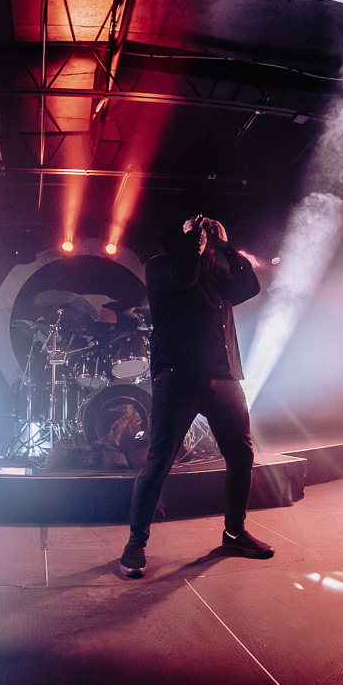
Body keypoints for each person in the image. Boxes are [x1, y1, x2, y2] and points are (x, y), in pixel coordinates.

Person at [119, 214, 272, 578]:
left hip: (224, 377)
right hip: (178, 378)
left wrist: (227, 246)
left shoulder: (216, 277)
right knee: (159, 460)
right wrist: (194, 240)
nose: (202, 239)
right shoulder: (160, 268)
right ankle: (135, 544)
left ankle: (234, 532)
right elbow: (185, 275)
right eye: (194, 235)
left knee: (241, 454)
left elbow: (250, 286)